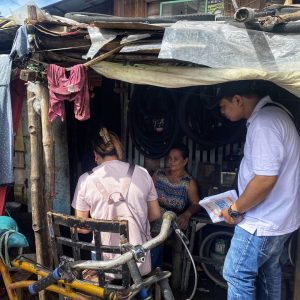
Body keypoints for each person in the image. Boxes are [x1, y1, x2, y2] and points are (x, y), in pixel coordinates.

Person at [218, 80, 300, 300]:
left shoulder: (265, 122)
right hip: (278, 218)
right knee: (268, 271)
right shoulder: (276, 114)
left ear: (238, 99)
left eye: (223, 106)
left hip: (261, 223)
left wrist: (234, 209)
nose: (222, 112)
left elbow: (265, 179)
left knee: (236, 273)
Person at [71, 127, 161, 277]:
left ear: (95, 155)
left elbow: (83, 228)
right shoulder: (142, 173)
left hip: (104, 265)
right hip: (139, 263)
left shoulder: (85, 180)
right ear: (118, 152)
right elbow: (156, 214)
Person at [151, 143, 200, 287]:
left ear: (185, 161)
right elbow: (147, 194)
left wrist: (187, 214)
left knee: (156, 236)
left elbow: (196, 203)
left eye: (175, 159)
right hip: (152, 213)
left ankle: (151, 275)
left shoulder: (188, 182)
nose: (170, 161)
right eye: (169, 158)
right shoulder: (159, 175)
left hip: (170, 218)